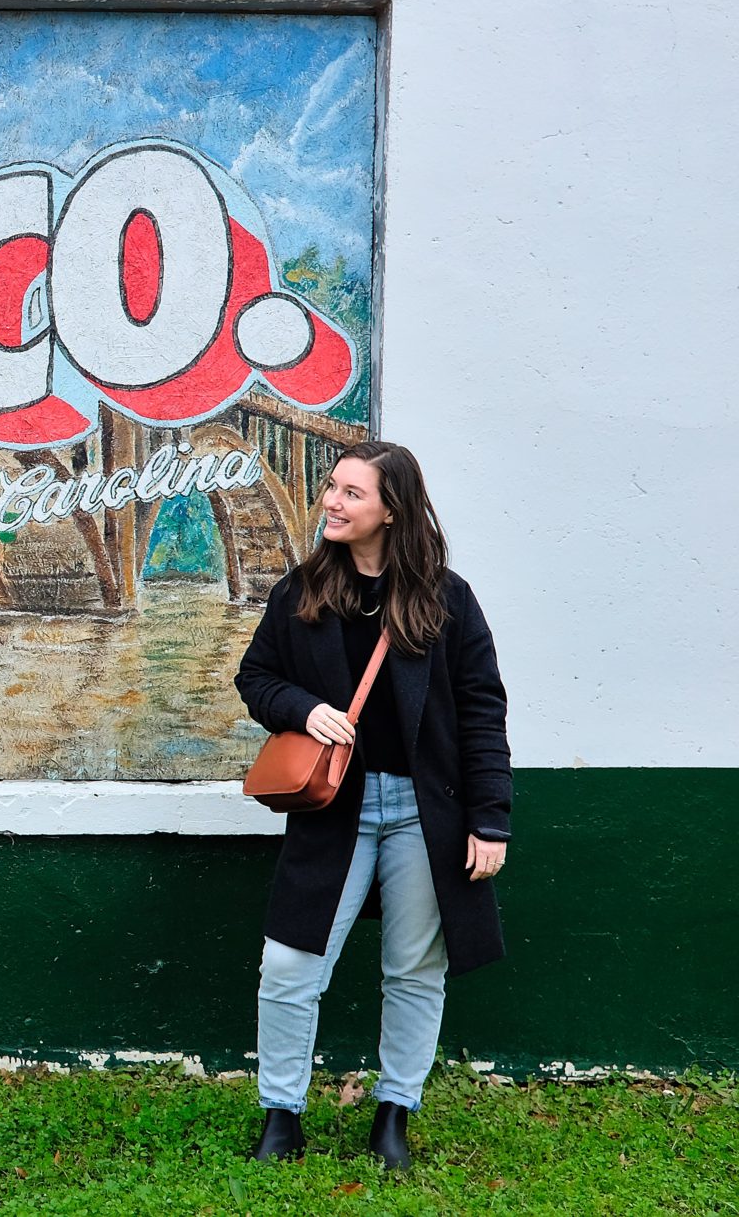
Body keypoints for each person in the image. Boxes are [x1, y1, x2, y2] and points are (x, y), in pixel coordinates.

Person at [234, 440, 512, 1172]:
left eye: (351, 492)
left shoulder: (446, 600)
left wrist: (491, 819)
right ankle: (281, 1114)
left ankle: (394, 1113)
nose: (331, 500)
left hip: (428, 811)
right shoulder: (300, 594)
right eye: (331, 487)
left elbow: (483, 712)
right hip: (335, 809)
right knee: (290, 964)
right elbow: (255, 676)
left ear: (391, 510)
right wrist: (303, 707)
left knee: (414, 968)